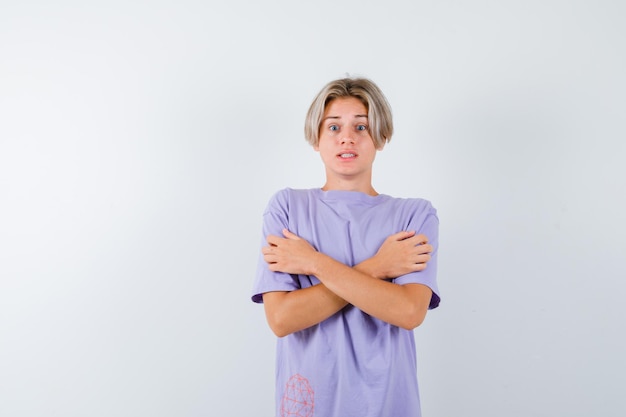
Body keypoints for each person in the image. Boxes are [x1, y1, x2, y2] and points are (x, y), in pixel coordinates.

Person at [251, 77, 441, 417]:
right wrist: (377, 268)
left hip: (387, 404)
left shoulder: (414, 215)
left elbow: (409, 312)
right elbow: (281, 319)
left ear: (381, 137)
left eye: (362, 127)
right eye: (334, 126)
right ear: (316, 138)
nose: (347, 138)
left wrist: (312, 262)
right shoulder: (287, 209)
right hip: (310, 403)